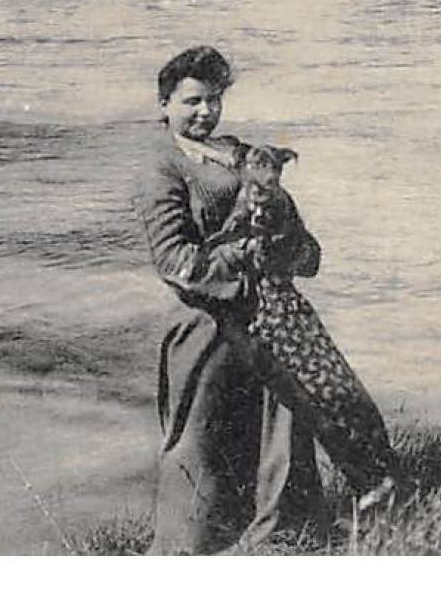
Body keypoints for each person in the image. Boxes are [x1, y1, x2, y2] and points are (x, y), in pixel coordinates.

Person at [134, 46, 327, 554]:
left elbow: (287, 222)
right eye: (192, 101)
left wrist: (288, 247)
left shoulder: (241, 153)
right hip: (205, 323)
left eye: (214, 100)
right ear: (164, 105)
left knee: (282, 424)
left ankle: (283, 536)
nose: (205, 112)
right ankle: (186, 552)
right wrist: (244, 266)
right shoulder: (163, 170)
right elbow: (175, 260)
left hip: (266, 315)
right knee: (200, 442)